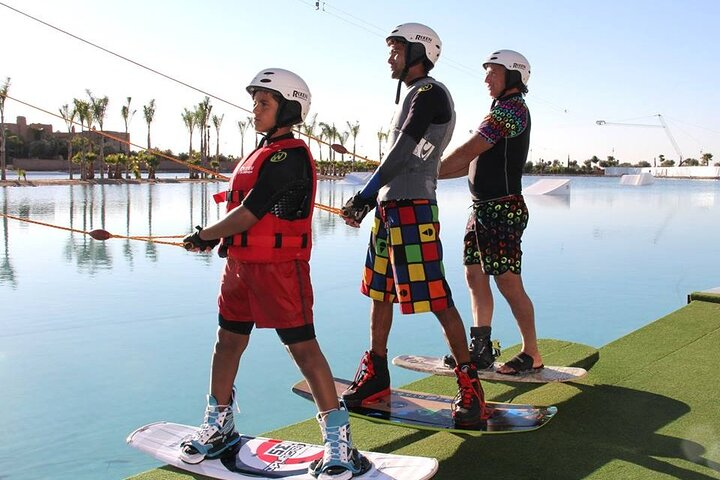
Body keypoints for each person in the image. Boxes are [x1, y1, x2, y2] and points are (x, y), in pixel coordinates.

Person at [181, 68, 367, 479]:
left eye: (264, 103)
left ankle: (339, 442)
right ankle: (220, 424)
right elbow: (241, 214)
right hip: (240, 269)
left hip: (281, 270)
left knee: (302, 350)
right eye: (255, 102)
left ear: (288, 108)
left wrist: (204, 234)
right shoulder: (257, 154)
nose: (255, 110)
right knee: (226, 343)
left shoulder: (290, 156)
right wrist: (214, 240)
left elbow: (252, 211)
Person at [339, 23, 490, 427]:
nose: (389, 57)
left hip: (413, 210)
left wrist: (365, 195)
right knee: (379, 293)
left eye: (395, 50)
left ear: (418, 52)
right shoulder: (413, 96)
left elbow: (406, 153)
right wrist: (375, 199)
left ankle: (470, 387)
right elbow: (403, 156)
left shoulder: (429, 93)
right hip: (391, 209)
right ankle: (377, 373)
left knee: (437, 299)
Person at [438, 50, 543, 376]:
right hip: (482, 210)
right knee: (474, 276)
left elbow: (469, 150)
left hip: (503, 209)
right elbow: (470, 164)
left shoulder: (512, 111)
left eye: (493, 73)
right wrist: (428, 174)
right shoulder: (498, 110)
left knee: (508, 282)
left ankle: (531, 354)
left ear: (513, 76)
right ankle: (481, 348)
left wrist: (426, 170)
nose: (486, 79)